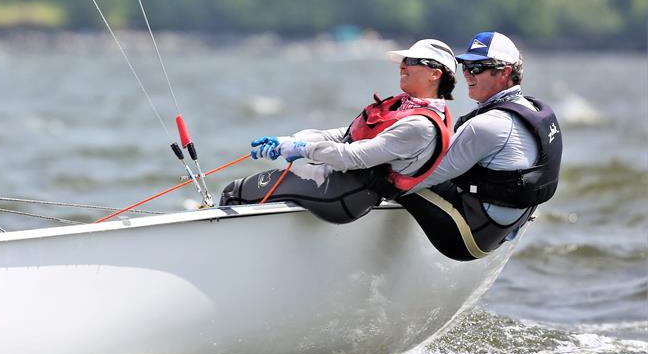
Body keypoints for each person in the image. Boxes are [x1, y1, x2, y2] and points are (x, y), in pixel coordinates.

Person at [219, 39, 458, 223]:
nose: (403, 65)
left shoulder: (420, 126)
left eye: (413, 62)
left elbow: (351, 156)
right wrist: (292, 140)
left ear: (435, 74)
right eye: (404, 60)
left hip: (344, 193)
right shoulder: (404, 105)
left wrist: (300, 149)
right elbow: (345, 135)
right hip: (339, 182)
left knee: (234, 192)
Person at [397, 32, 563, 261]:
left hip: (467, 239)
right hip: (503, 227)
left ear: (505, 72)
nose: (466, 74)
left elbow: (417, 177)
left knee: (390, 175)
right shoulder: (532, 108)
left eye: (477, 67)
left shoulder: (487, 125)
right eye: (464, 65)